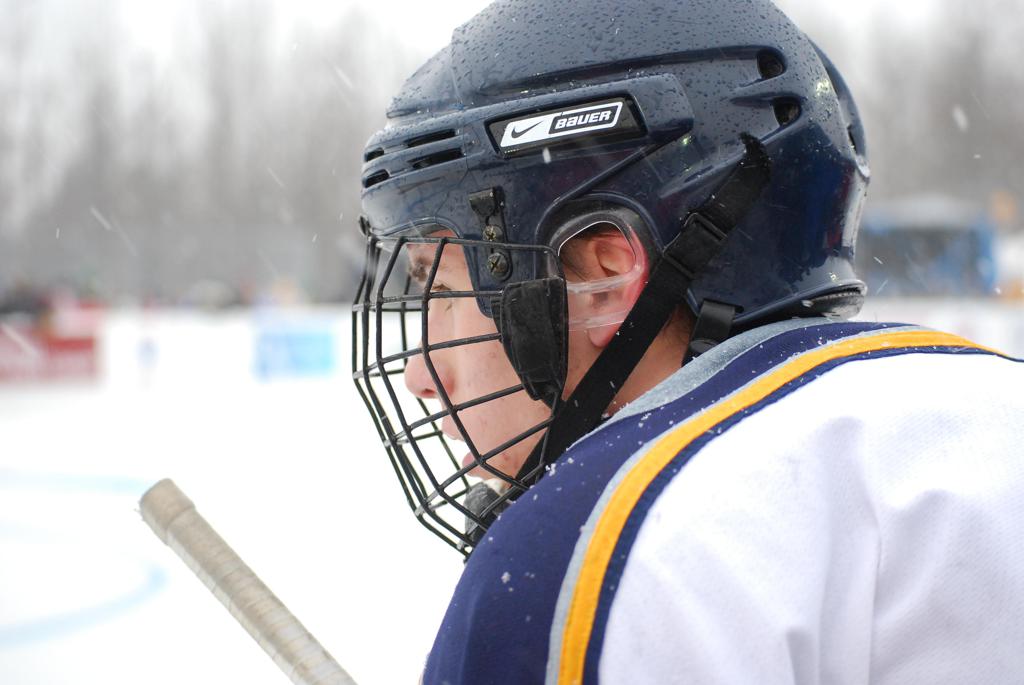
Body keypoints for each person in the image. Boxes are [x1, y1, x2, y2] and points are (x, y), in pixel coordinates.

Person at [351, 0, 1024, 682]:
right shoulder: (996, 415)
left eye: (443, 288)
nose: (420, 375)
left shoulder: (594, 546)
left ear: (601, 282)